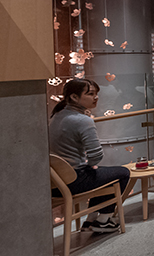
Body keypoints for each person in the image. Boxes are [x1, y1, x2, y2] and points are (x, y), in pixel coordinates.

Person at [49, 78, 130, 233]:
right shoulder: (82, 120)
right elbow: (96, 154)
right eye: (91, 94)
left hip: (55, 183)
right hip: (74, 180)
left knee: (100, 173)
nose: (96, 97)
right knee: (123, 173)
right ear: (74, 97)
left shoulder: (56, 115)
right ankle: (103, 220)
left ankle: (91, 220)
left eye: (96, 93)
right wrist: (91, 164)